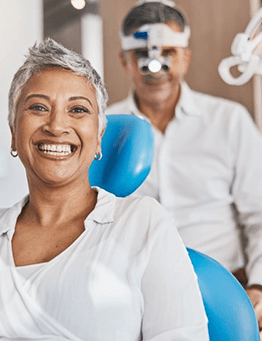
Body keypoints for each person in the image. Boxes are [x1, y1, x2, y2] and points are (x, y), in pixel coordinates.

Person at [0, 38, 208, 340]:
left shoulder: (142, 223)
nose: (56, 125)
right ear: (13, 132)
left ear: (99, 137)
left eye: (77, 109)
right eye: (38, 107)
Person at [106, 0, 262, 333]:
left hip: (226, 292)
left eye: (168, 54)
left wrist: (260, 287)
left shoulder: (229, 121)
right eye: (142, 56)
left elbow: (260, 215)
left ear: (185, 58)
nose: (156, 67)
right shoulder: (104, 131)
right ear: (124, 61)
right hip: (131, 298)